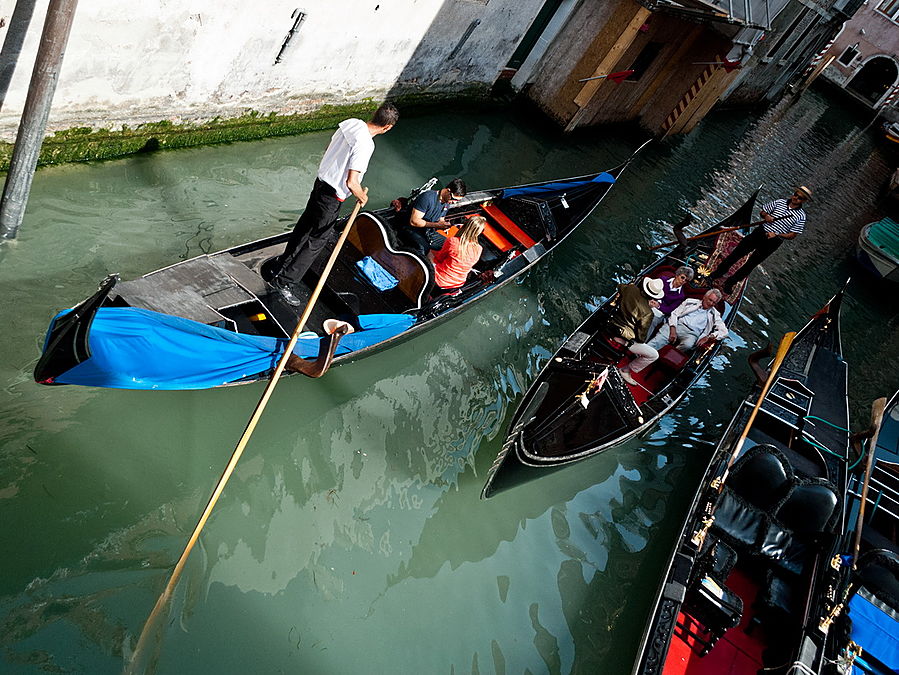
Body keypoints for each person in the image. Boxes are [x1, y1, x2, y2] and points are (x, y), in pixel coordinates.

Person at [270, 102, 400, 305]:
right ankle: (285, 283)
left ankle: (280, 265)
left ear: (375, 114)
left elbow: (328, 148)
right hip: (332, 199)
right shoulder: (366, 145)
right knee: (315, 242)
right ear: (388, 127)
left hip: (320, 185)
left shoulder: (351, 123)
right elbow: (352, 182)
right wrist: (362, 197)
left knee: (304, 228)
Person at [708, 186, 811, 294]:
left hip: (773, 242)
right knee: (737, 253)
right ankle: (716, 274)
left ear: (803, 201)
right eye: (795, 194)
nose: (796, 198)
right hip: (759, 233)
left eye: (799, 198)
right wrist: (766, 216)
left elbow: (793, 235)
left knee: (751, 264)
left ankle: (730, 283)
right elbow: (762, 212)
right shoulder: (779, 202)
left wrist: (777, 234)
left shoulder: (801, 216)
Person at [622, 288, 727, 383]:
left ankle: (666, 356)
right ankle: (632, 363)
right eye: (710, 300)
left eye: (714, 302)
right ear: (705, 297)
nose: (711, 303)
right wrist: (673, 329)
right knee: (657, 341)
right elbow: (675, 314)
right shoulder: (690, 302)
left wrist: (709, 336)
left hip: (692, 334)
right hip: (676, 325)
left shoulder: (714, 314)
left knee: (688, 345)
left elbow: (724, 332)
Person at [608, 277, 665, 385]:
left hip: (611, 323)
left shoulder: (631, 288)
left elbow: (620, 287)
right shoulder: (648, 313)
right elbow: (640, 337)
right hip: (623, 335)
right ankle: (625, 370)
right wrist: (648, 308)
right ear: (653, 297)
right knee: (654, 355)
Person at [396, 178, 467, 256]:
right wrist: (437, 225)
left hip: (428, 232)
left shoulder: (447, 203)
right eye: (454, 199)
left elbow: (441, 219)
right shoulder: (427, 198)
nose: (454, 202)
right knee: (423, 248)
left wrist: (444, 226)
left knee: (450, 246)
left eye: (457, 201)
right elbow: (414, 221)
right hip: (411, 229)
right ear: (448, 190)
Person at [430, 215, 485, 291]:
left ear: (464, 225)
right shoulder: (479, 249)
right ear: (479, 232)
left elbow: (438, 259)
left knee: (429, 252)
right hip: (458, 283)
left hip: (441, 280)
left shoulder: (453, 241)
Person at [647, 265, 694, 338]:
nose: (683, 281)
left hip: (660, 312)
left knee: (653, 319)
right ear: (677, 275)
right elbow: (651, 288)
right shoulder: (663, 279)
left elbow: (669, 310)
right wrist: (651, 301)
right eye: (682, 277)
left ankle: (641, 340)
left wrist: (658, 306)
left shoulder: (680, 296)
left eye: (686, 280)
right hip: (650, 301)